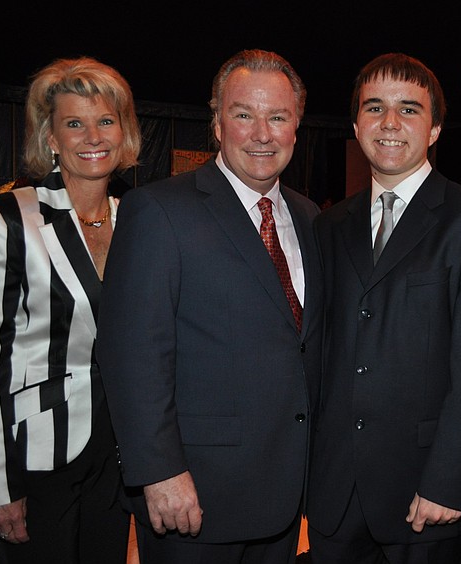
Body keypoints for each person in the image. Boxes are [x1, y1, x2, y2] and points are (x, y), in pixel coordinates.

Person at [96, 49, 322, 564]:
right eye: (244, 114)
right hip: (194, 496)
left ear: (296, 127)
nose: (261, 133)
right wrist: (159, 472)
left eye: (278, 117)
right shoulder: (159, 209)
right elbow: (131, 354)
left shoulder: (310, 218)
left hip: (286, 493)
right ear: (217, 123)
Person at [305, 52, 461, 564]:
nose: (390, 122)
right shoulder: (328, 226)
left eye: (409, 109)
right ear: (357, 126)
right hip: (334, 493)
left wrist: (448, 481)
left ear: (435, 129)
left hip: (423, 492)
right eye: (375, 107)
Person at [0, 56, 142, 563]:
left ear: (124, 132)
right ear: (50, 136)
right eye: (74, 123)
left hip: (118, 456)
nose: (93, 137)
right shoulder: (9, 217)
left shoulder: (139, 217)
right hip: (36, 455)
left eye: (106, 121)